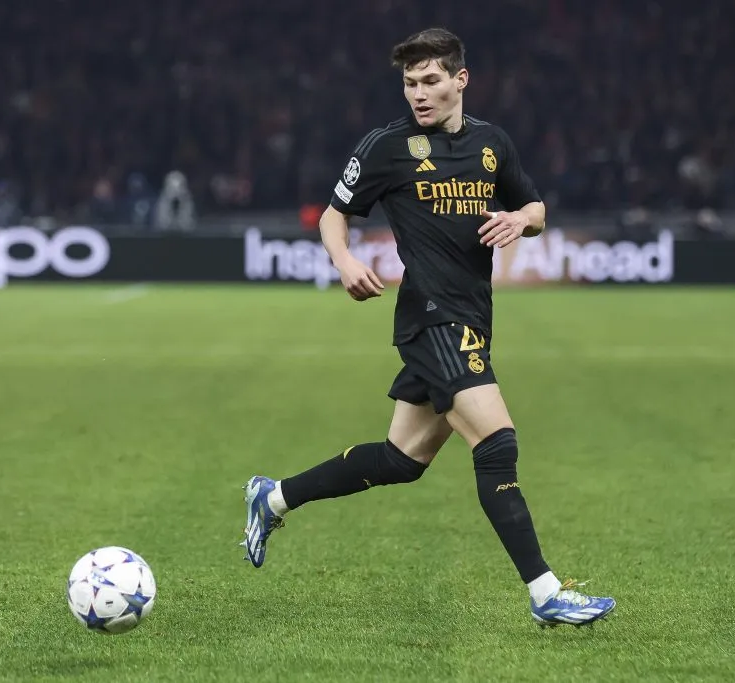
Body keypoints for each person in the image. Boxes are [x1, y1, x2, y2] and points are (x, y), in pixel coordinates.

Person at [240, 28, 615, 629]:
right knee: (497, 443)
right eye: (410, 83)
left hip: (472, 315)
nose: (418, 93)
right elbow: (334, 218)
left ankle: (274, 496)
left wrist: (520, 219)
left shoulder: (493, 144)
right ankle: (546, 592)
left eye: (431, 80)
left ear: (460, 80)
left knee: (402, 459)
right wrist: (345, 261)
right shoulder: (388, 147)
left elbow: (538, 208)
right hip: (431, 316)